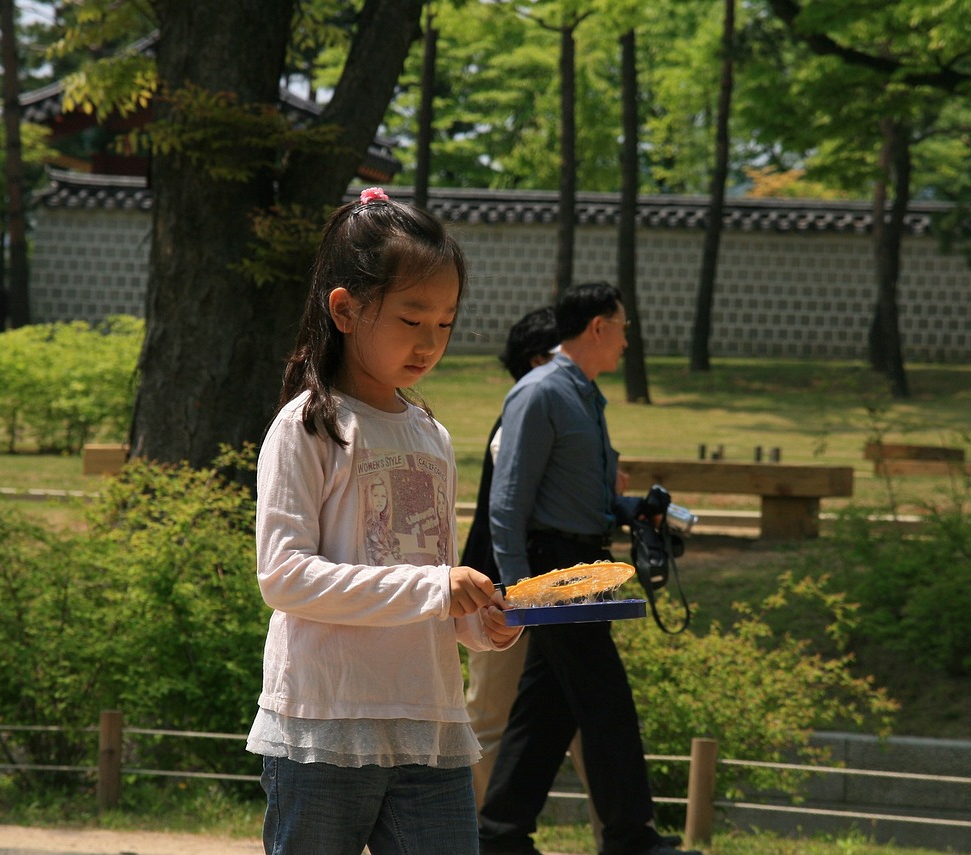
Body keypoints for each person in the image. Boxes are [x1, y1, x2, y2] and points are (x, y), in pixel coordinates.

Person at [248, 186, 522, 855]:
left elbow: (433, 579)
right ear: (345, 309)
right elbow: (283, 577)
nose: (431, 341)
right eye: (411, 318)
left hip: (428, 719)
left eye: (446, 323)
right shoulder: (309, 426)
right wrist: (435, 589)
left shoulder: (431, 434)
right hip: (324, 722)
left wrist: (482, 623)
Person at [478, 282, 700, 855]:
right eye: (623, 327)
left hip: (583, 562)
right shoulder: (542, 392)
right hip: (554, 571)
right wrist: (521, 588)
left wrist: (631, 510)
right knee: (606, 704)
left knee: (547, 711)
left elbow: (582, 501)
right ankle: (630, 839)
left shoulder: (583, 394)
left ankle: (499, 834)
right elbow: (507, 504)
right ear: (598, 327)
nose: (628, 341)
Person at [463, 306, 561, 810]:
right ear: (539, 359)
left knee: (584, 710)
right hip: (502, 590)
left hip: (555, 593)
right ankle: (477, 833)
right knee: (489, 716)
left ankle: (623, 836)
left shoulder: (552, 414)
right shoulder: (519, 423)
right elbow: (512, 513)